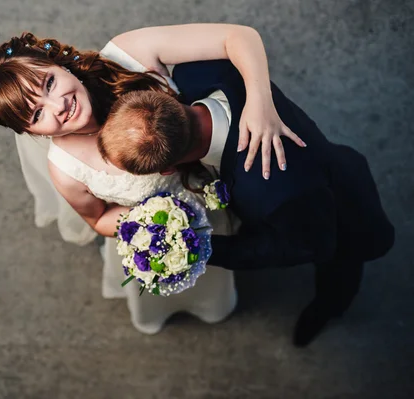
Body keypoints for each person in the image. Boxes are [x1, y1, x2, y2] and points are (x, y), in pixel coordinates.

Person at [0, 25, 305, 334]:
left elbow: (240, 36)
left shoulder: (129, 53)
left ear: (61, 65)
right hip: (171, 231)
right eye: (37, 115)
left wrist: (260, 104)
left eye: (49, 84)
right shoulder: (65, 169)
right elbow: (98, 217)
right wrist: (153, 224)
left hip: (228, 175)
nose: (58, 106)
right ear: (30, 132)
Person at [97, 60, 394, 346]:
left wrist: (193, 247)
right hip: (314, 170)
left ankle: (327, 309)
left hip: (342, 212)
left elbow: (307, 246)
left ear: (167, 170)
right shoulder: (197, 71)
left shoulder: (272, 191)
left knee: (338, 268)